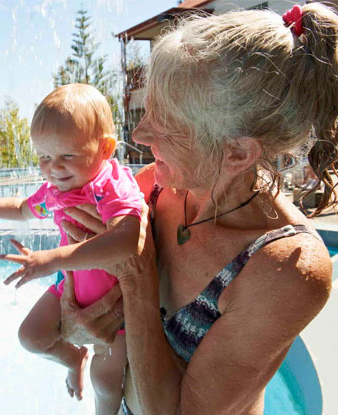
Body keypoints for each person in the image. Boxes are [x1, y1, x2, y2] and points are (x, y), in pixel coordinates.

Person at [57, 4, 334, 414]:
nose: (139, 133)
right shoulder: (153, 186)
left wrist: (136, 277)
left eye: (165, 123)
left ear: (237, 152)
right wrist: (72, 311)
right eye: (148, 109)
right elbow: (90, 302)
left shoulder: (284, 267)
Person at [0, 83, 144, 414]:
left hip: (117, 302)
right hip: (69, 285)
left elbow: (128, 238)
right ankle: (73, 358)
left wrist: (52, 259)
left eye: (68, 156)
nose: (53, 168)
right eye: (45, 157)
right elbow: (22, 207)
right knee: (31, 336)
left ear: (105, 148)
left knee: (106, 384)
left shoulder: (109, 187)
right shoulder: (55, 191)